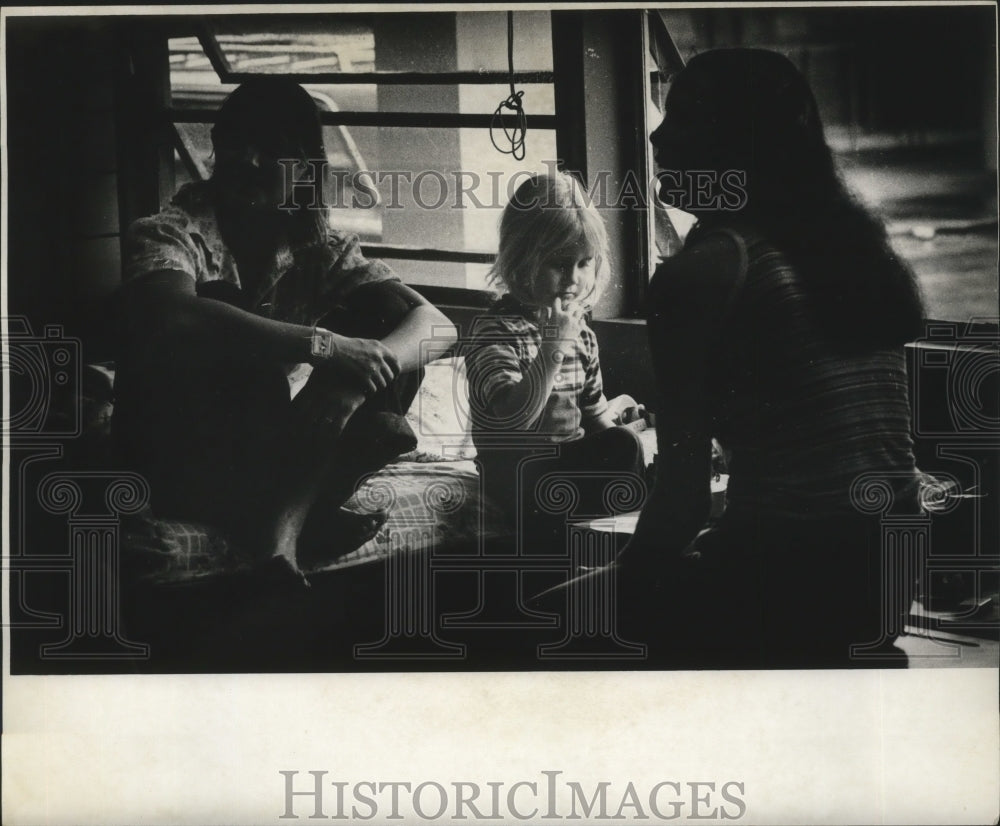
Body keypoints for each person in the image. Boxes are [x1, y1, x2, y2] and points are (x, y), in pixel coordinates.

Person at [541, 49, 928, 667]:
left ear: (736, 144)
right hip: (890, 581)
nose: (658, 135)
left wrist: (624, 587)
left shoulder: (706, 272)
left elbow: (683, 499)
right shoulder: (844, 253)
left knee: (535, 633)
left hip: (790, 578)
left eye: (684, 117)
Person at [112, 77, 456, 583]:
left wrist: (351, 383)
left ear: (302, 166)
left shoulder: (318, 248)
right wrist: (325, 347)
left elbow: (438, 324)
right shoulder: (168, 230)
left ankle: (279, 533)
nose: (248, 162)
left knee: (390, 343)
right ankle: (298, 520)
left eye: (269, 149)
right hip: (175, 453)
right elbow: (173, 315)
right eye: (236, 145)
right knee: (230, 323)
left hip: (262, 450)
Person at [464, 172, 645, 545]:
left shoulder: (582, 335)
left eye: (584, 263)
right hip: (514, 472)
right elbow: (515, 418)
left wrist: (627, 436)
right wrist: (552, 348)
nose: (574, 279)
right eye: (560, 264)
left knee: (627, 445)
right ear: (520, 262)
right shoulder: (494, 330)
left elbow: (593, 414)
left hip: (567, 464)